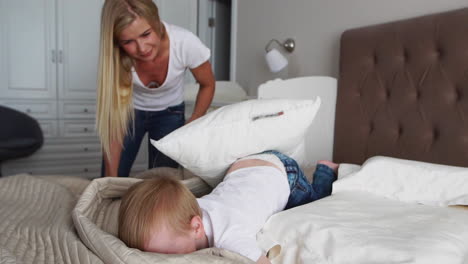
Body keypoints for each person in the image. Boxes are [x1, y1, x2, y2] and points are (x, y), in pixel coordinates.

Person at [118, 150, 338, 263]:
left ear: (196, 227)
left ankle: (325, 170)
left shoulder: (231, 237)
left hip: (282, 174)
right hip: (244, 167)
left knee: (314, 202)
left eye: (166, 256)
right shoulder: (186, 210)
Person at [96, 0, 215, 177]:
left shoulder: (185, 43)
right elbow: (114, 127)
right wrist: (109, 181)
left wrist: (195, 119)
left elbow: (208, 84)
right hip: (129, 111)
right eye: (128, 41)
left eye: (146, 34)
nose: (142, 49)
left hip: (170, 113)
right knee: (112, 176)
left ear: (156, 21)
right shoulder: (115, 56)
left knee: (162, 179)